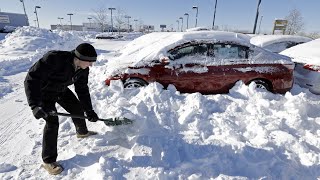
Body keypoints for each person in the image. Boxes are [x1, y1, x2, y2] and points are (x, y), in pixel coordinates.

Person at [24, 43, 99, 175]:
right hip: (44, 93)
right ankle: (48, 161)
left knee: (76, 107)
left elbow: (82, 90)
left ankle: (82, 132)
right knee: (52, 122)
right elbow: (31, 79)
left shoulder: (83, 69)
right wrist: (35, 105)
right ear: (79, 58)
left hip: (60, 89)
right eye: (89, 62)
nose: (91, 65)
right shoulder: (54, 59)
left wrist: (89, 111)